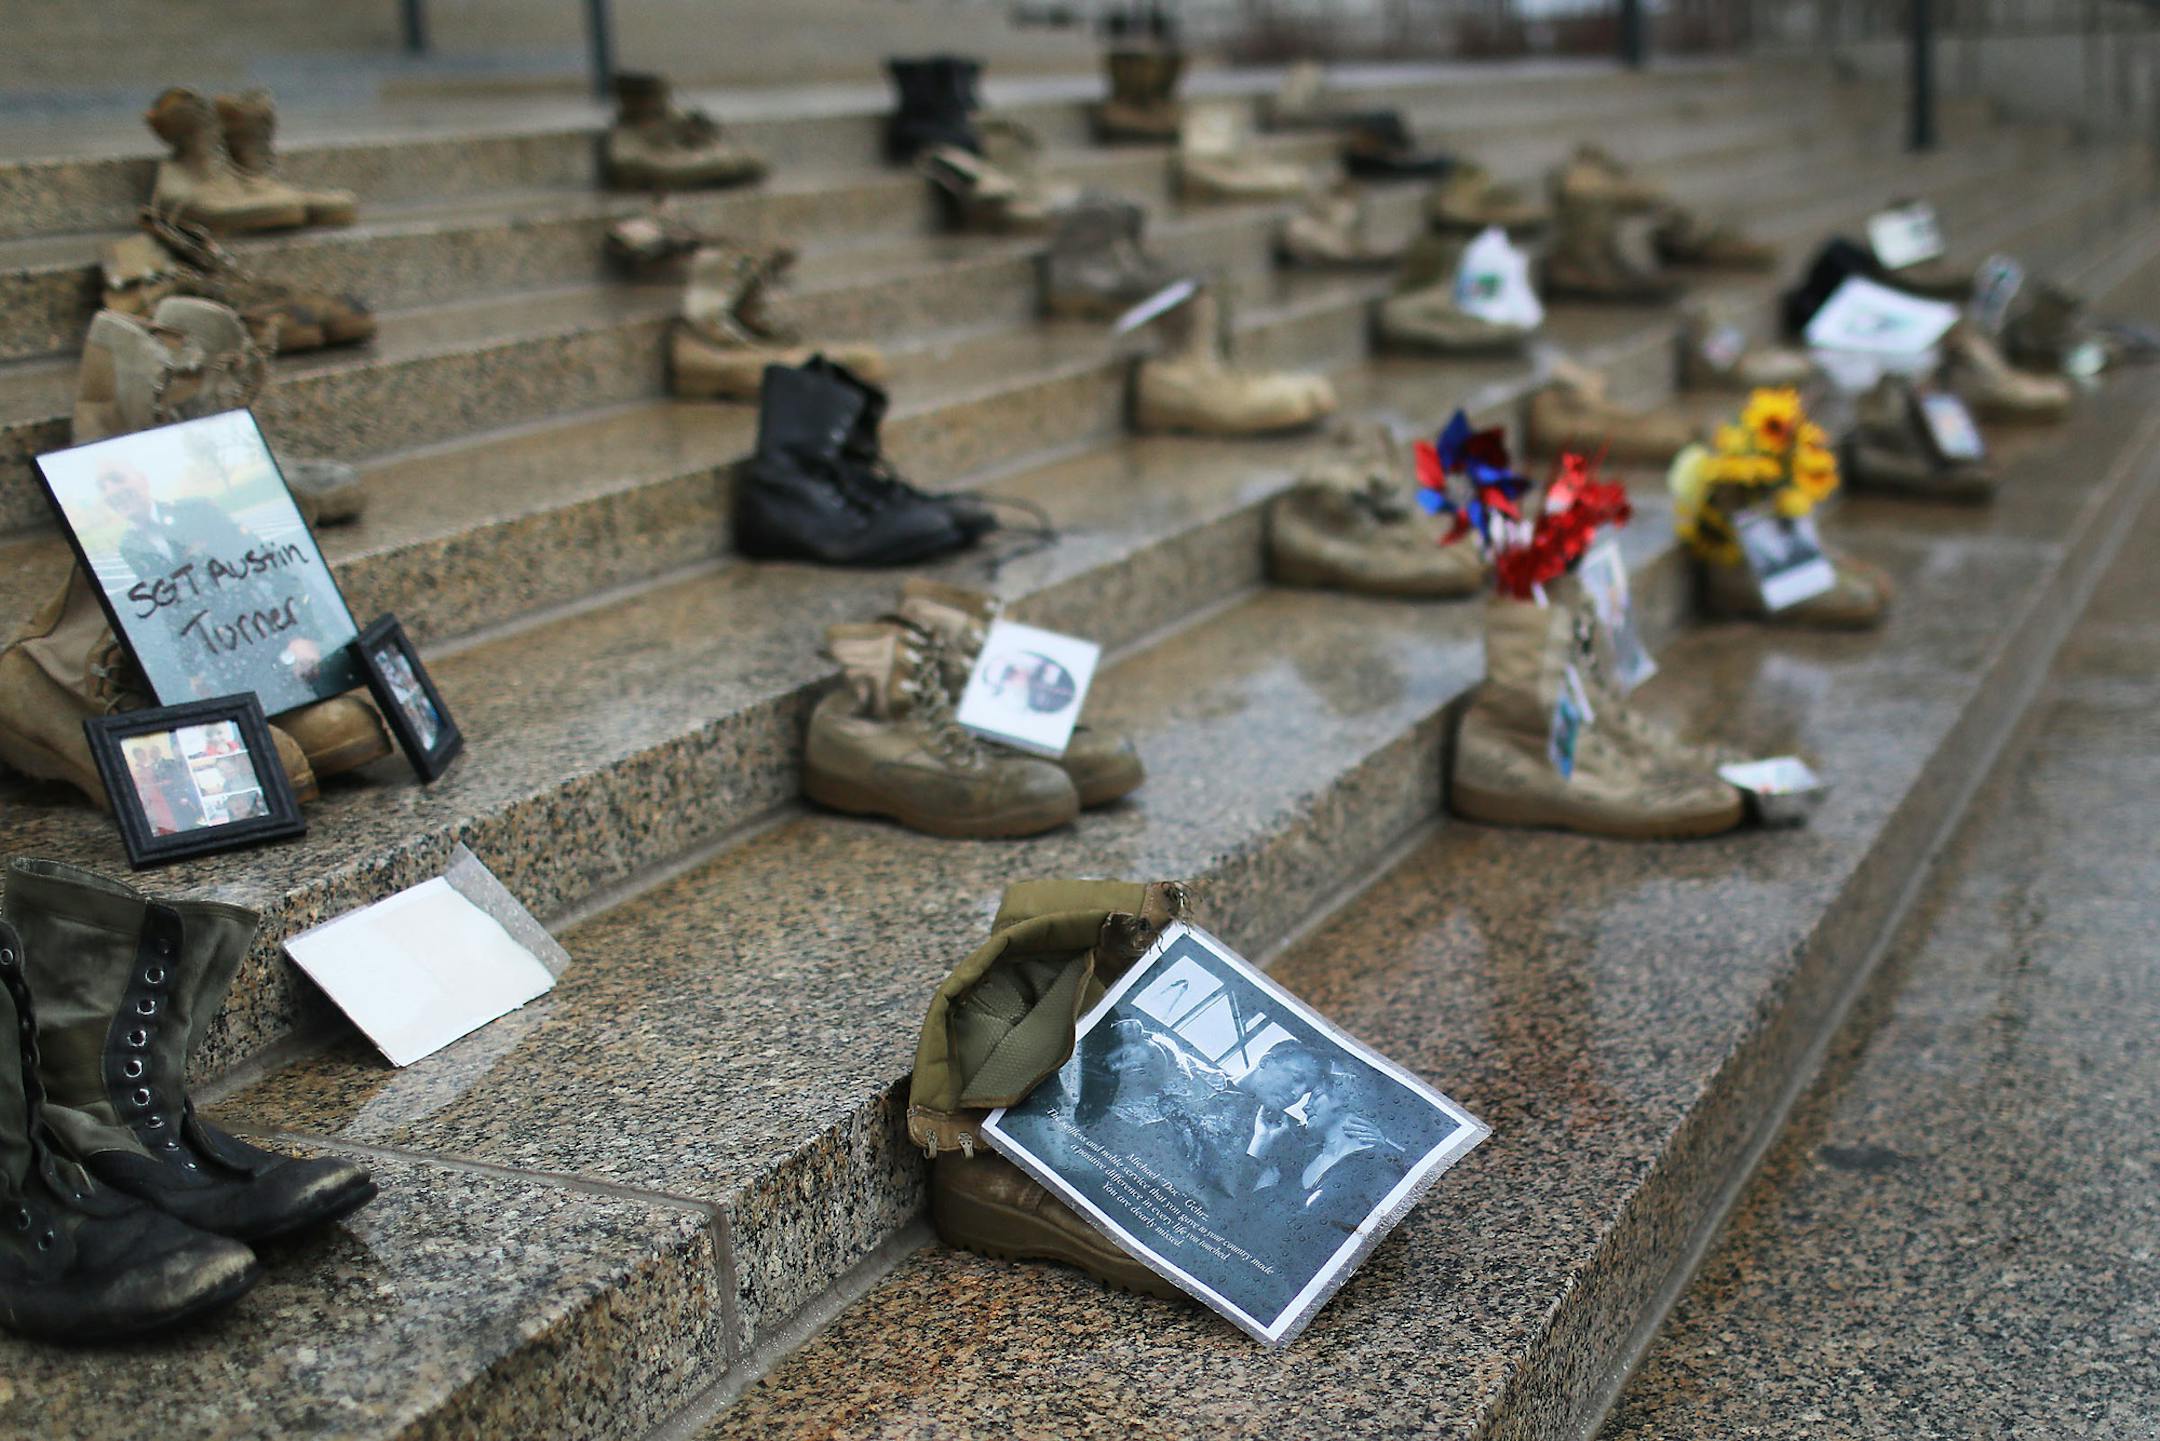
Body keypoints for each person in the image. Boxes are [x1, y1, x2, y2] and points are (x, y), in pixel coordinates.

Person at [1284, 1065, 1410, 1252]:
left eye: (1316, 1095)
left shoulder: (1377, 1165)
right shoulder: (1304, 1156)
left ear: (1345, 1100)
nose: (1305, 1106)